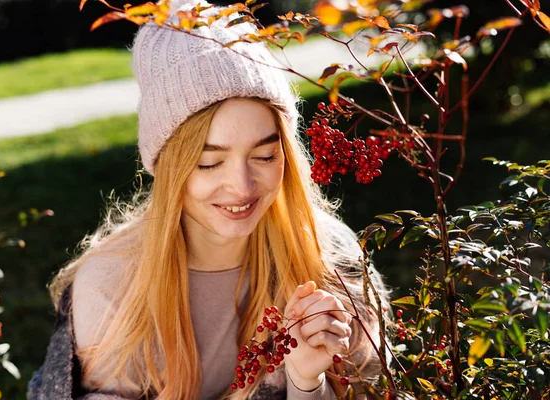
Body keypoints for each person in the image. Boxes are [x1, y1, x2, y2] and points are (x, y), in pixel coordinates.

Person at [27, 0, 390, 399]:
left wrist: (306, 381)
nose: (242, 186)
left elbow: (376, 386)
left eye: (264, 156)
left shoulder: (329, 260)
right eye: (209, 163)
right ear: (170, 169)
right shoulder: (113, 288)